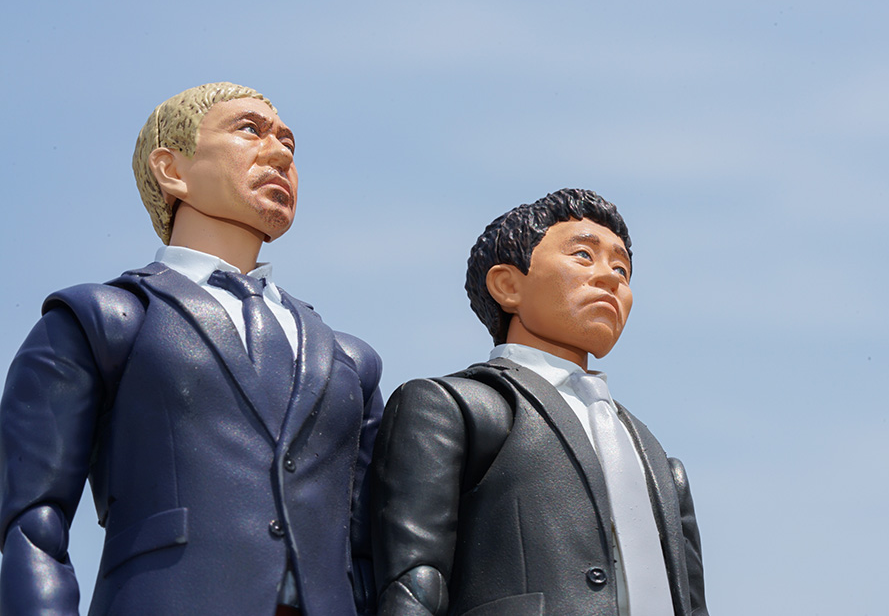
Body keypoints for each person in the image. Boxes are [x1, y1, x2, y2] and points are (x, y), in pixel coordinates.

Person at [0, 82, 383, 615]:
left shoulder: (348, 361)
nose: (280, 155)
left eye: (289, 144)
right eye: (250, 130)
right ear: (171, 169)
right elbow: (33, 523)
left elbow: (370, 550)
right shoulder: (103, 319)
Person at [371, 188, 708, 616]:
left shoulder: (658, 462)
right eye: (583, 255)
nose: (611, 279)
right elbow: (415, 581)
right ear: (508, 285)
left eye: (621, 269)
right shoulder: (455, 408)